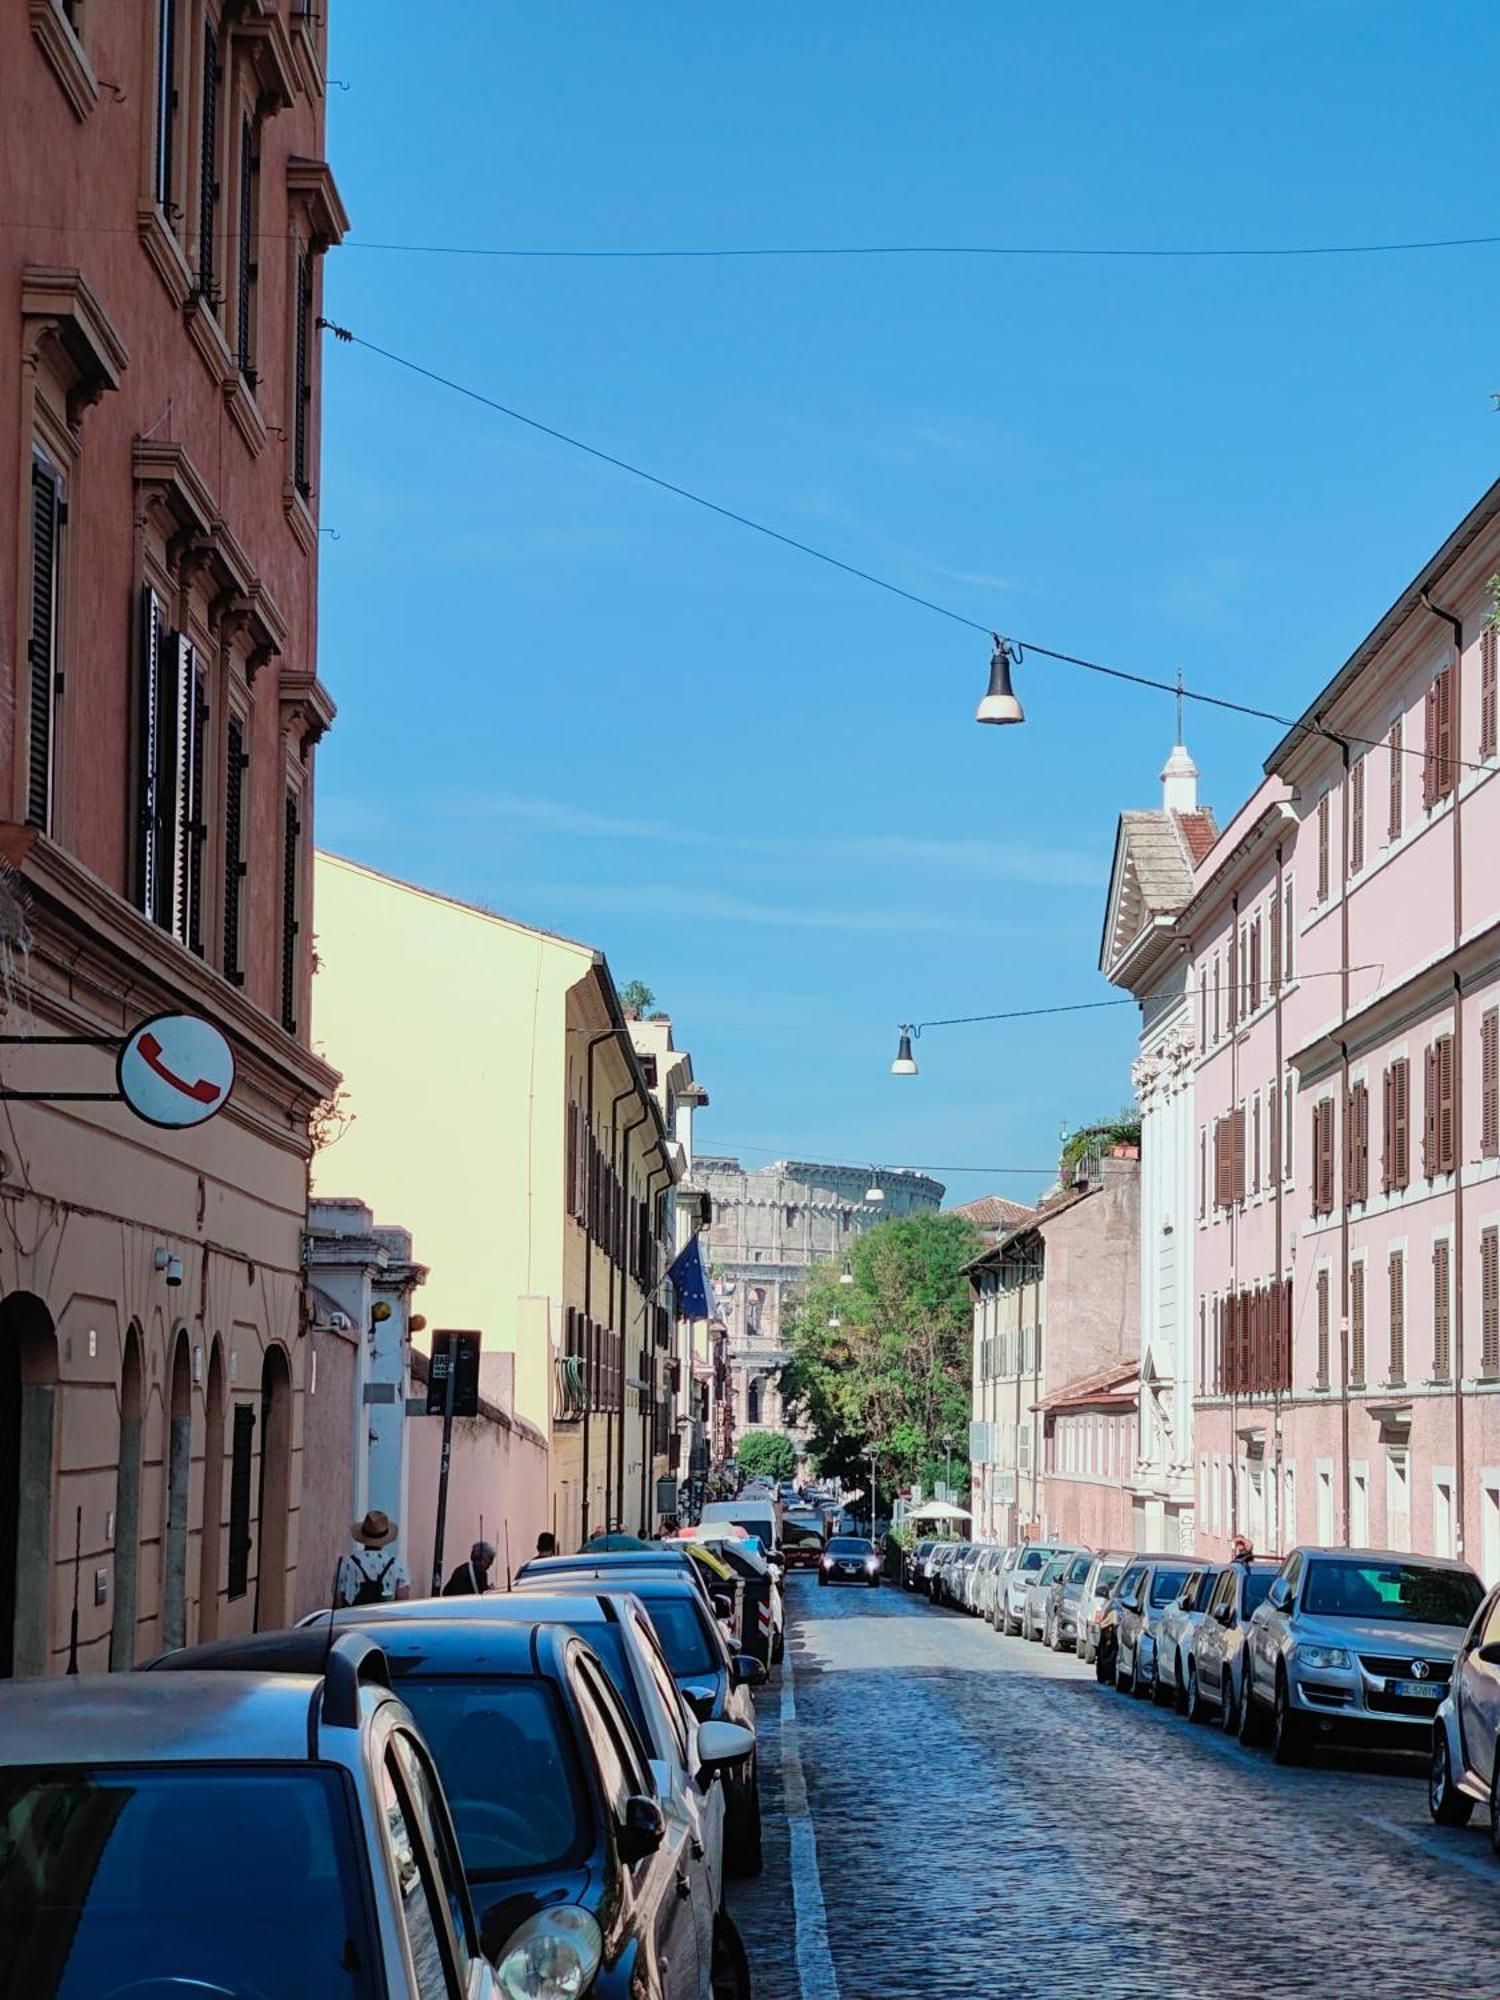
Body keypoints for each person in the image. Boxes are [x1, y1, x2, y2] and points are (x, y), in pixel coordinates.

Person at [336, 1510, 411, 1607]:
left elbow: (338, 1601)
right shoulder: (397, 1566)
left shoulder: (346, 1563)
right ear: (385, 1539)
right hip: (382, 1620)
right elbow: (402, 1601)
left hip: (352, 1619)